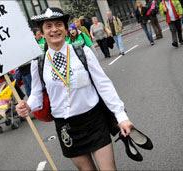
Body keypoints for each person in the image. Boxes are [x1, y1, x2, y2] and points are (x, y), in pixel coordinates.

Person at [16, 7, 134, 170]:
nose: (54, 29)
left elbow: (104, 85)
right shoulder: (39, 63)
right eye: (48, 26)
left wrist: (121, 116)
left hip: (94, 120)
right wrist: (27, 105)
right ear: (42, 33)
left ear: (65, 29)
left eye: (58, 24)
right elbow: (36, 93)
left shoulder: (83, 52)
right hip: (66, 127)